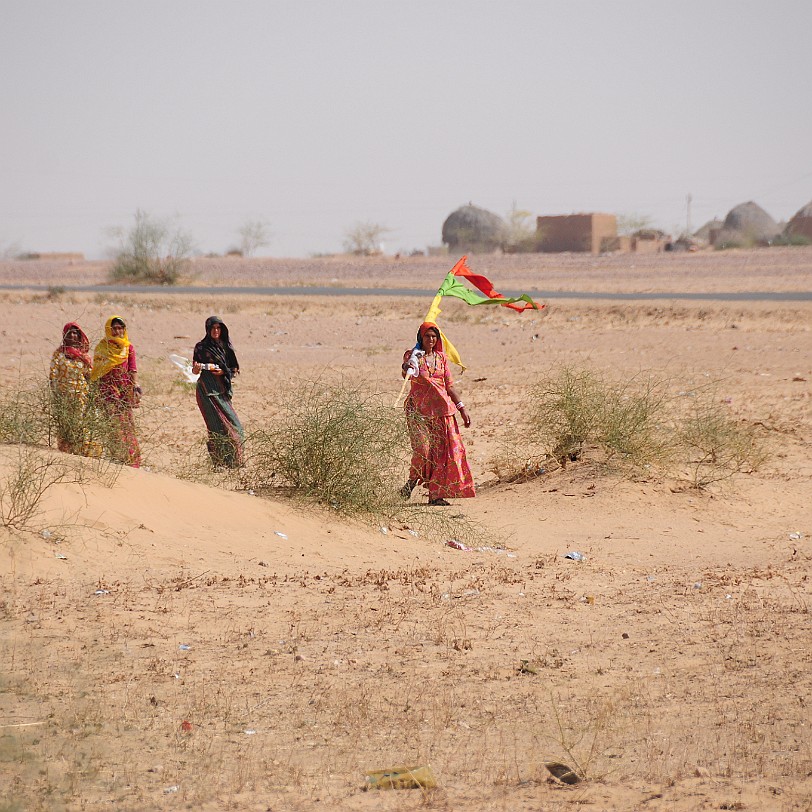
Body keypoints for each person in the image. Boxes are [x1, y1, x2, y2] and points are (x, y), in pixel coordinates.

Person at [400, 322, 475, 506]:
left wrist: (462, 408)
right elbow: (405, 374)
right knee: (423, 450)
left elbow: (449, 386)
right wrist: (408, 365)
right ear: (421, 338)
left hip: (442, 412)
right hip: (418, 411)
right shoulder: (413, 356)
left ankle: (435, 495)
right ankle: (411, 482)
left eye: (434, 336)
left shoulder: (441, 358)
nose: (431, 340)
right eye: (427, 336)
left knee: (441, 455)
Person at [192, 316, 244, 468]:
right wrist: (195, 369)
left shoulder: (226, 347)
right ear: (208, 330)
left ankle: (236, 462)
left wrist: (223, 371)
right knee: (215, 428)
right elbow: (195, 369)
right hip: (206, 391)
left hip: (222, 391)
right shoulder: (201, 347)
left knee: (235, 428)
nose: (216, 331)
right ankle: (220, 463)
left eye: (218, 328)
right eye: (213, 328)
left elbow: (234, 369)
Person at [91, 315, 141, 467]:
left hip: (123, 391)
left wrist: (134, 388)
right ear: (109, 329)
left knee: (127, 424)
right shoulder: (101, 348)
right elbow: (97, 371)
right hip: (107, 391)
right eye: (115, 328)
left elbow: (132, 369)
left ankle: (131, 460)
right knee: (112, 424)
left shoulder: (128, 347)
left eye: (121, 328)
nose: (118, 331)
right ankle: (117, 457)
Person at [49, 322, 99, 456]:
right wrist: (55, 395)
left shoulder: (84, 357)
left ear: (79, 336)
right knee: (65, 423)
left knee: (80, 424)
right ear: (65, 335)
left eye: (76, 333)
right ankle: (65, 453)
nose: (73, 335)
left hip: (81, 396)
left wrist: (92, 396)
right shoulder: (58, 354)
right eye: (70, 332)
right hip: (64, 396)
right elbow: (52, 376)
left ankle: (80, 453)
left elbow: (90, 376)